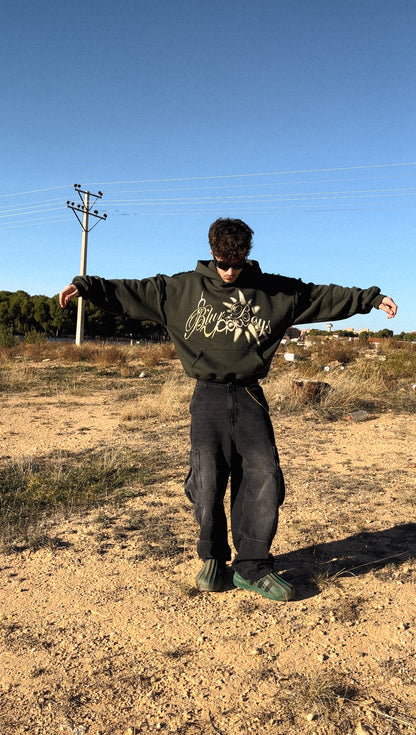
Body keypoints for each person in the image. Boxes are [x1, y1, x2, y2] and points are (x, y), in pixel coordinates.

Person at [59, 218, 397, 601]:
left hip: (250, 395)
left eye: (237, 263)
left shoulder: (273, 291)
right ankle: (214, 560)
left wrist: (370, 298)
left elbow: (321, 296)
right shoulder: (180, 289)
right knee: (206, 480)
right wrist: (85, 285)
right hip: (208, 396)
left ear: (247, 256)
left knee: (264, 476)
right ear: (212, 254)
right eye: (223, 263)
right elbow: (130, 291)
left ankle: (252, 566)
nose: (230, 271)